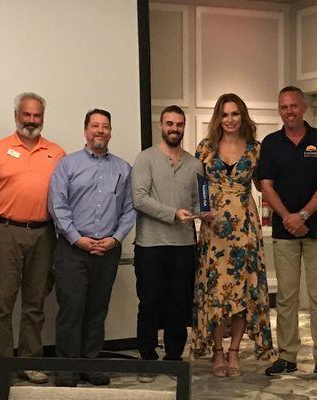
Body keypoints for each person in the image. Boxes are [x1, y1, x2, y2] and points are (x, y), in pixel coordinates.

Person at [0, 92, 65, 389]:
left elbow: (66, 197)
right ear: (16, 116)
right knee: (2, 303)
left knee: (35, 303)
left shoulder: (56, 152)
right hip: (6, 232)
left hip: (44, 234)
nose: (31, 120)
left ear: (42, 118)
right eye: (26, 115)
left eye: (37, 115)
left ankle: (29, 362)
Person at [259, 86, 317, 379]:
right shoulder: (270, 143)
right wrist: (287, 217)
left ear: (304, 107)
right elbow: (265, 186)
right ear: (279, 110)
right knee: (286, 297)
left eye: (294, 106)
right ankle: (287, 356)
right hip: (284, 232)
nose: (289, 111)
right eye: (284, 107)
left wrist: (304, 215)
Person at [48, 108, 136, 387]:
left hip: (107, 250)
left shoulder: (124, 169)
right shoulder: (67, 165)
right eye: (95, 125)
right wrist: (77, 238)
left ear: (110, 131)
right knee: (71, 309)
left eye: (105, 126)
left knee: (97, 310)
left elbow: (129, 208)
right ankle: (67, 368)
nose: (100, 130)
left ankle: (91, 364)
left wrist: (116, 238)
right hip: (73, 250)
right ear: (85, 130)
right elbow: (57, 205)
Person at [191, 93, 276, 377]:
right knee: (216, 291)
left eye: (235, 114)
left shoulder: (255, 149)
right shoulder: (204, 148)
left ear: (242, 117)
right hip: (214, 231)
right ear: (218, 117)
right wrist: (203, 212)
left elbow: (265, 186)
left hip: (244, 228)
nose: (230, 120)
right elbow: (199, 187)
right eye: (225, 114)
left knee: (242, 290)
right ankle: (216, 352)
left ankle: (234, 352)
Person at [131, 105, 203, 382]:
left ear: (184, 127)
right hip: (150, 245)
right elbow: (139, 198)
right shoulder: (145, 159)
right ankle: (148, 359)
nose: (174, 129)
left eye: (179, 124)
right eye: (170, 124)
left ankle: (174, 358)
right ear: (161, 125)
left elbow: (199, 201)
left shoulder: (195, 164)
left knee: (179, 303)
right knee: (149, 303)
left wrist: (205, 213)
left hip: (184, 246)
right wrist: (172, 214)